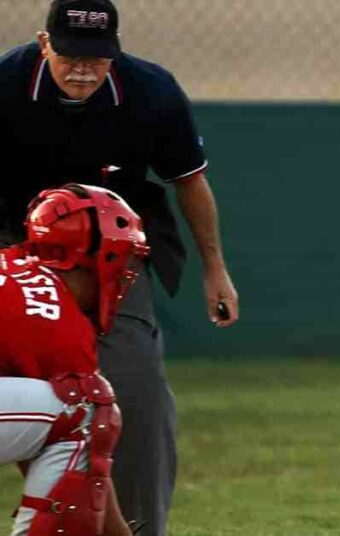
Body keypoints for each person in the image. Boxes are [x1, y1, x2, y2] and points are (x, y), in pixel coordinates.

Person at [0, 1, 239, 534]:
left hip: (114, 249)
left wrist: (215, 269)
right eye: (69, 55)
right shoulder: (5, 83)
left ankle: (140, 526)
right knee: (70, 402)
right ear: (43, 44)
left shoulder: (150, 91)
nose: (83, 68)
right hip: (13, 236)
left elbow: (189, 180)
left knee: (133, 393)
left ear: (117, 51)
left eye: (97, 57)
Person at [0, 183, 150, 536]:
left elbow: (44, 442)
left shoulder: (11, 263)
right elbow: (83, 441)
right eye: (123, 258)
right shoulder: (58, 318)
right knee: (87, 405)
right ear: (99, 256)